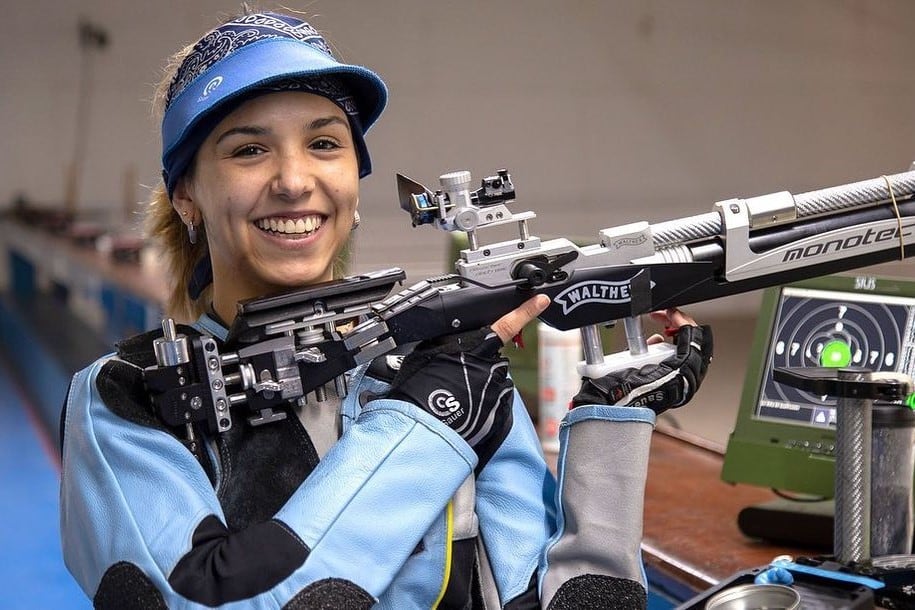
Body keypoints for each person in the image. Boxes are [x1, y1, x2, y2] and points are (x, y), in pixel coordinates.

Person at [59, 9, 713, 610]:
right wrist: (429, 421)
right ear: (185, 198)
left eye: (323, 144)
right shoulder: (127, 396)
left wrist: (612, 426)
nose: (293, 180)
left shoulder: (442, 364)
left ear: (354, 185)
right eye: (248, 149)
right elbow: (203, 598)